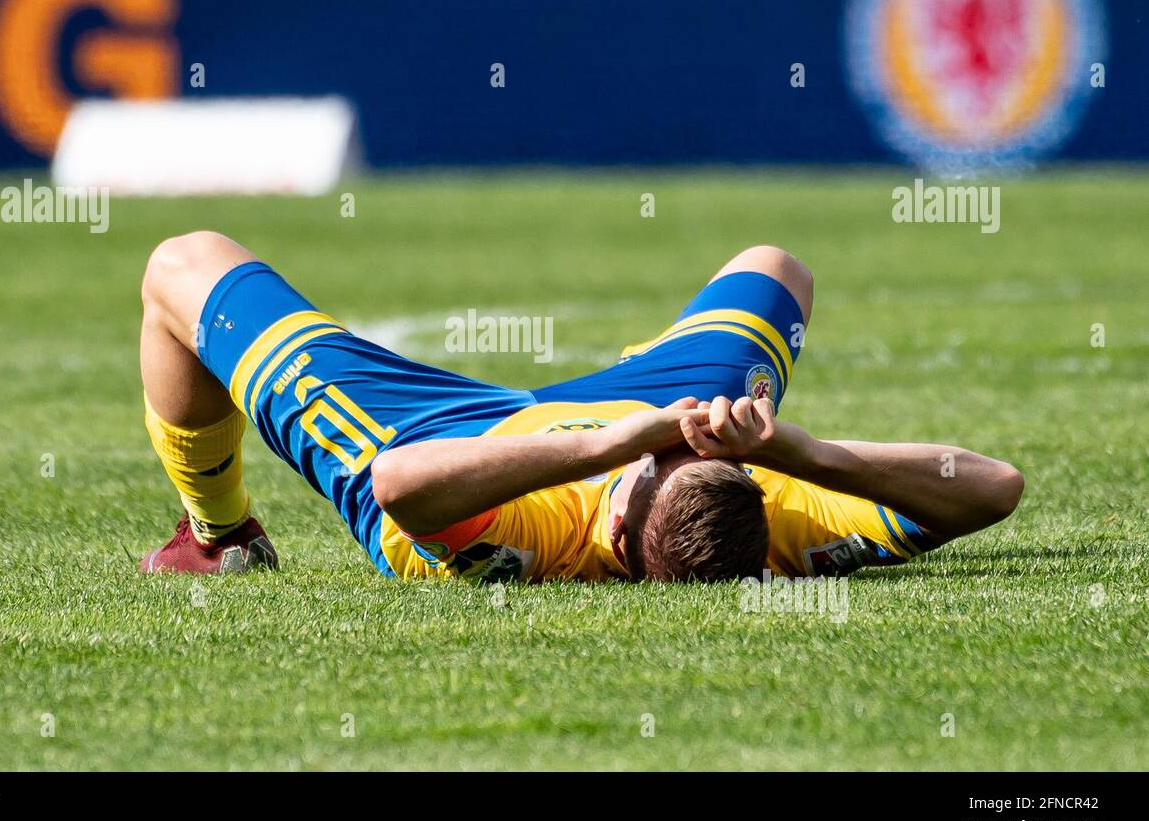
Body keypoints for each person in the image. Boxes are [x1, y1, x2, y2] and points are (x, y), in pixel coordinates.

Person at [137, 232, 1023, 582]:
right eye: (708, 452)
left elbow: (400, 482)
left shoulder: (542, 534)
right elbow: (993, 488)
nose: (687, 441)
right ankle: (658, 412)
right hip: (620, 415)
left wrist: (610, 444)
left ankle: (220, 539)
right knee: (775, 267)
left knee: (181, 267)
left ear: (626, 528)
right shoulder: (778, 523)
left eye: (667, 460)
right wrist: (795, 448)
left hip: (441, 442)